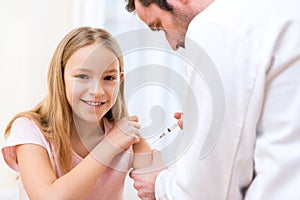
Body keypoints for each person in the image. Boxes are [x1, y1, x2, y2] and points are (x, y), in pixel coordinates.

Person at [123, 0, 300, 199]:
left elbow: (209, 192)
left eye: (159, 26)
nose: (173, 45)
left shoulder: (217, 28)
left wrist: (159, 185)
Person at [1, 26, 152, 200]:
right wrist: (109, 145)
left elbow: (165, 187)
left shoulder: (126, 137)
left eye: (109, 78)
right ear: (60, 75)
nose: (97, 91)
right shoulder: (30, 131)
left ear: (120, 79)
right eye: (82, 76)